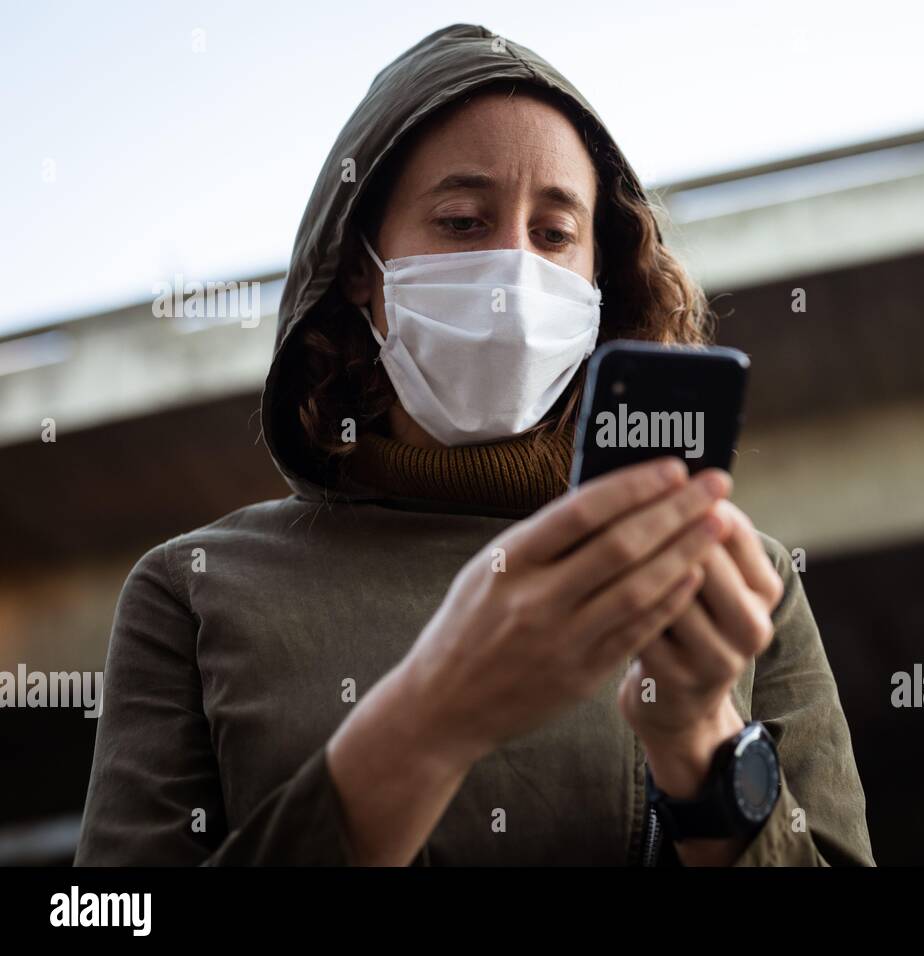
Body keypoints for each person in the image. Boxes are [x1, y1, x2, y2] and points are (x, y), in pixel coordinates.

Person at [74, 23, 874, 866]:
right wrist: (430, 717)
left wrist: (704, 747)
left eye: (555, 233)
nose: (512, 277)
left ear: (601, 276)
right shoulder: (196, 592)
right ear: (359, 265)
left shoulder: (737, 586)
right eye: (461, 222)